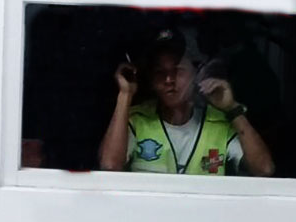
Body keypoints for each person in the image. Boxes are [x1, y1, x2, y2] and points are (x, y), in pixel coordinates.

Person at [98, 29, 275, 176]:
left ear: (195, 73)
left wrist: (232, 109)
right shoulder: (137, 119)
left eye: (177, 70)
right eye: (160, 72)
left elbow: (264, 169)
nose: (169, 79)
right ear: (151, 81)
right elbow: (110, 166)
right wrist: (125, 95)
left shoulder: (218, 122)